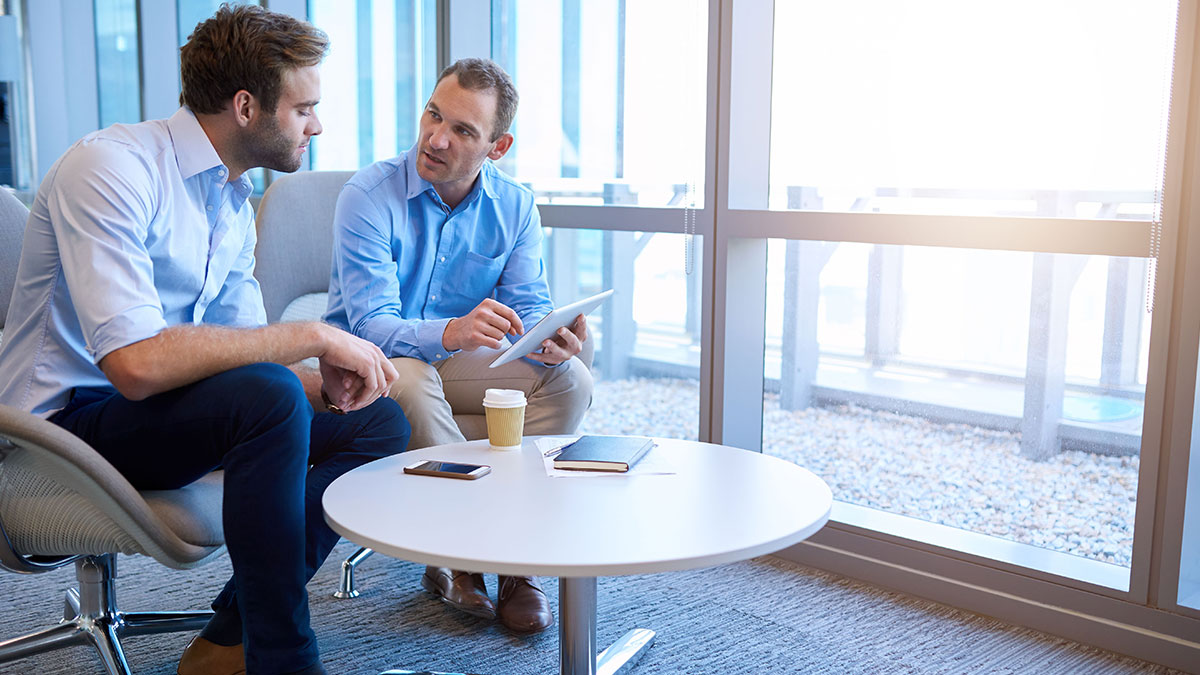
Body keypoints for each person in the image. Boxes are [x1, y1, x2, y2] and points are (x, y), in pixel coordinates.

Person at [0, 6, 409, 675]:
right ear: (247, 106)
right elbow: (133, 365)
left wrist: (323, 382)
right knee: (273, 394)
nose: (318, 124)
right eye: (305, 107)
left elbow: (240, 349)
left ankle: (228, 639)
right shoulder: (110, 169)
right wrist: (310, 335)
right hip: (61, 430)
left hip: (155, 415)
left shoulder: (229, 198)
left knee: (376, 421)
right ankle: (285, 662)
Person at [324, 57, 593, 634]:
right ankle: (470, 556)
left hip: (457, 368)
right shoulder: (367, 197)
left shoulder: (515, 206)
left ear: (498, 147)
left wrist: (551, 336)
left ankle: (513, 563)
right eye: (433, 115)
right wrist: (449, 332)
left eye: (463, 130)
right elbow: (370, 326)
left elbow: (526, 306)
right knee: (414, 382)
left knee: (572, 379)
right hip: (371, 370)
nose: (436, 138)